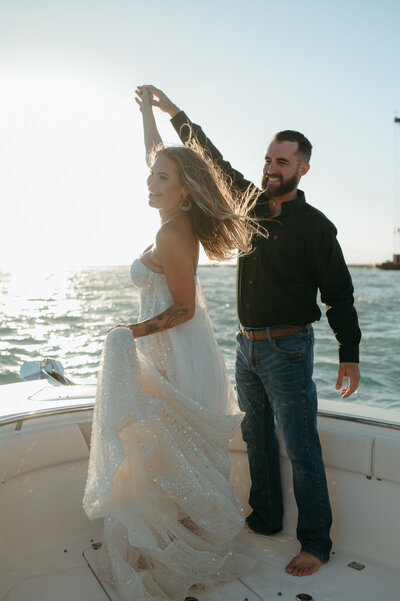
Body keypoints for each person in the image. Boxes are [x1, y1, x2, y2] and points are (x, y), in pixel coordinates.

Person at [141, 85, 362, 577]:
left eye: (282, 162)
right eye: (268, 159)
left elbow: (339, 294)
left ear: (302, 168)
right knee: (255, 437)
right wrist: (173, 111)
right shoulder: (249, 203)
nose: (271, 168)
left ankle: (315, 544)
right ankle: (264, 519)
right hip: (247, 346)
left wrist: (349, 352)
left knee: (301, 448)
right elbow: (210, 158)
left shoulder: (316, 227)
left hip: (289, 346)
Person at [83, 87, 259, 601]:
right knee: (171, 453)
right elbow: (156, 156)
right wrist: (146, 112)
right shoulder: (171, 217)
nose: (150, 180)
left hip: (179, 352)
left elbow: (182, 307)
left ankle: (192, 559)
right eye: (152, 174)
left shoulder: (172, 234)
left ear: (183, 190)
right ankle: (182, 550)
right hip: (171, 350)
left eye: (162, 178)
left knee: (182, 454)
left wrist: (127, 333)